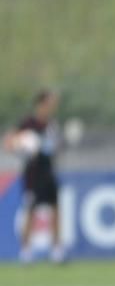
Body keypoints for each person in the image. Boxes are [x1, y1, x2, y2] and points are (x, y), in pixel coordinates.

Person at [2, 89, 65, 263]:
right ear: (41, 104)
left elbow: (57, 147)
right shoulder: (28, 123)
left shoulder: (52, 124)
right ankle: (26, 250)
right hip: (32, 173)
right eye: (50, 103)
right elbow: (9, 142)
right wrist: (23, 145)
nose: (52, 107)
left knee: (55, 209)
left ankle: (56, 250)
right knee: (30, 210)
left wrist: (52, 147)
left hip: (49, 171)